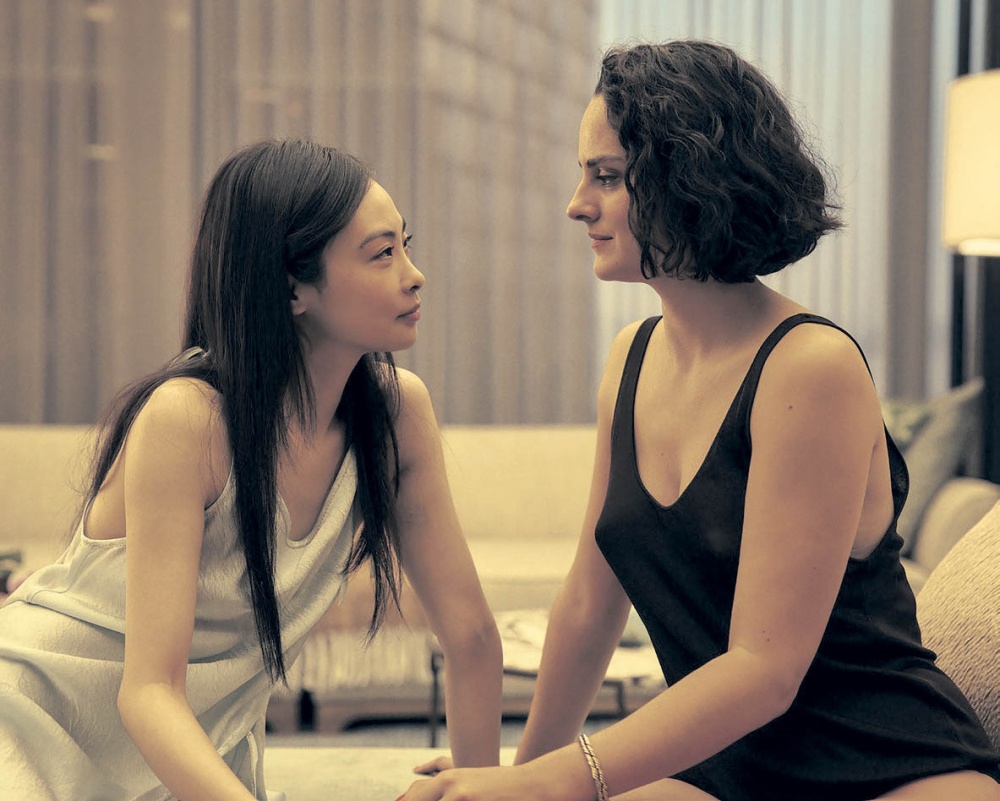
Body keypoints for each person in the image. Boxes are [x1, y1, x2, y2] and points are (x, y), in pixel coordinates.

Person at [402, 40, 1000, 801]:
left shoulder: (809, 366)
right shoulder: (632, 356)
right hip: (727, 764)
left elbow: (763, 668)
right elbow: (589, 602)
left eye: (606, 176)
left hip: (884, 765)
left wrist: (557, 781)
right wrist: (520, 780)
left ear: (691, 178)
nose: (576, 204)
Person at [0, 139, 503, 801]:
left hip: (189, 751)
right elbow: (148, 691)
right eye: (382, 253)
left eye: (405, 246)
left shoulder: (396, 412)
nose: (415, 275)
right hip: (34, 725)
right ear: (292, 288)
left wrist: (479, 789)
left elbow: (471, 635)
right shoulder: (188, 419)